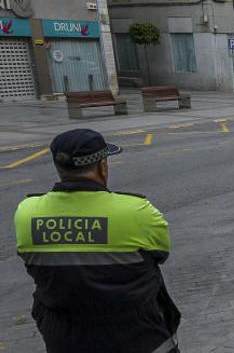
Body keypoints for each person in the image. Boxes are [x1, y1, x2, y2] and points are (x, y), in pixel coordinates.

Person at [14, 129, 180, 353]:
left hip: (64, 336)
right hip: (137, 336)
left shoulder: (27, 213)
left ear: (59, 166)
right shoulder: (137, 210)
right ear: (103, 166)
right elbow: (161, 254)